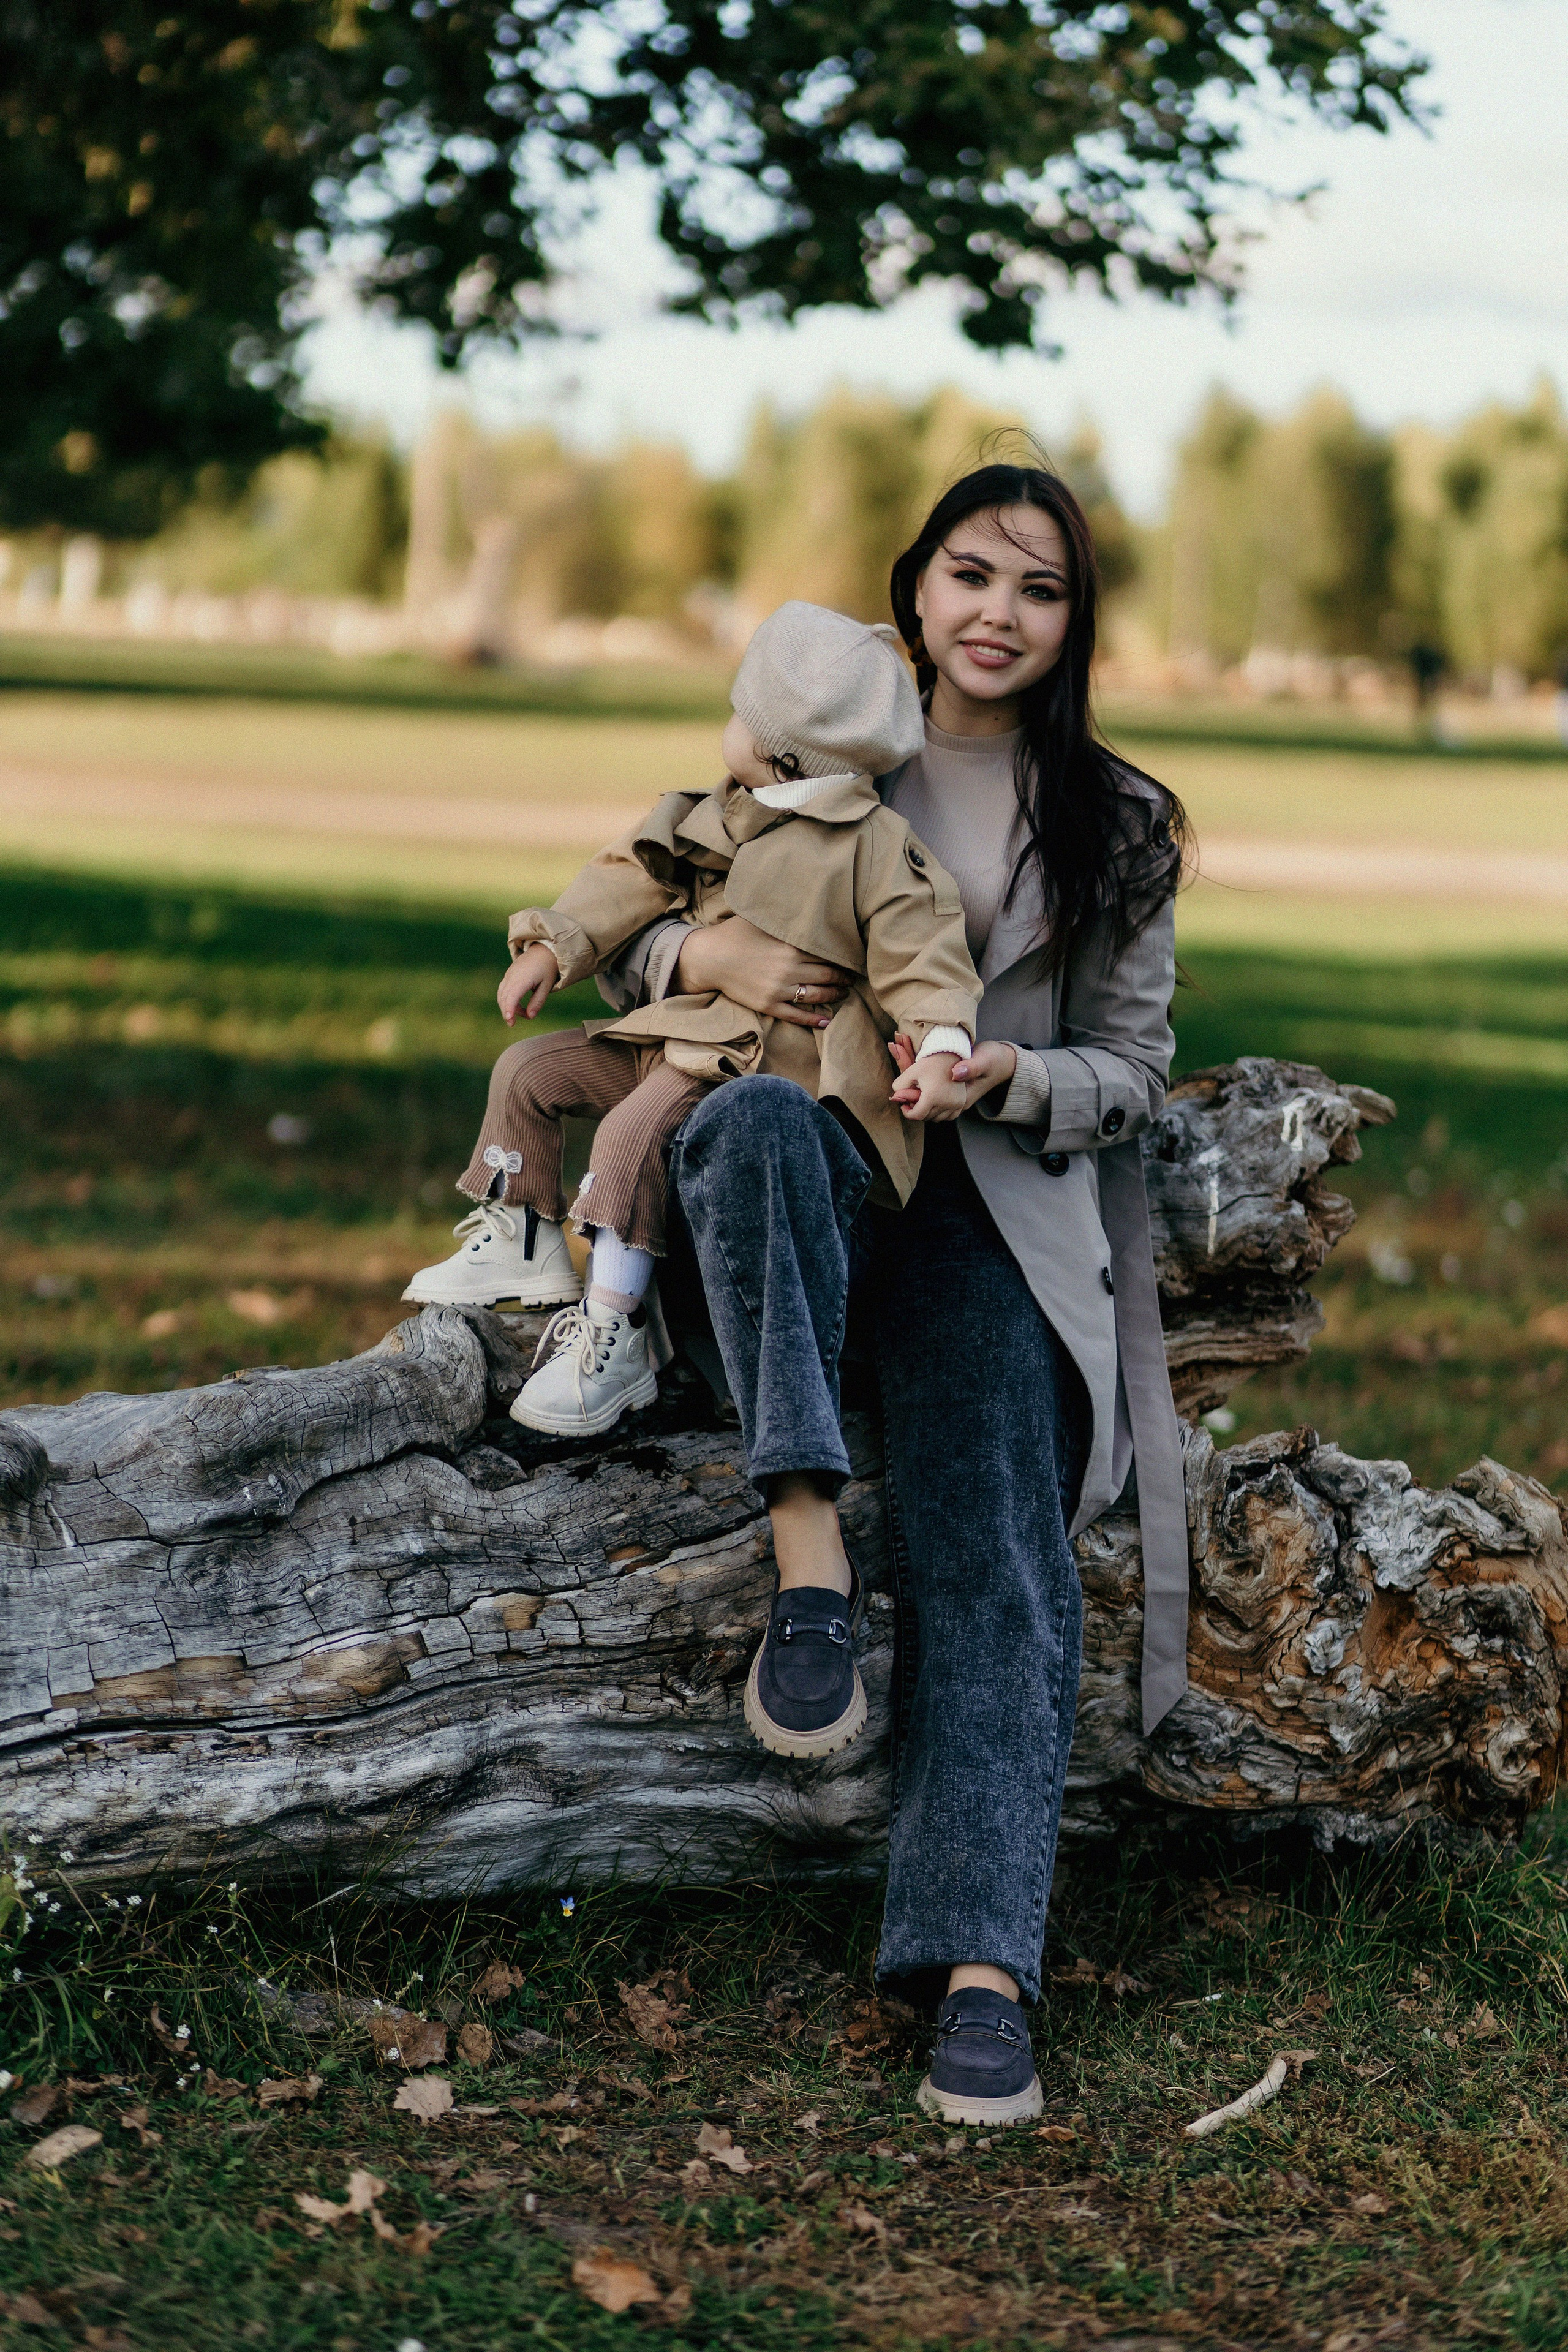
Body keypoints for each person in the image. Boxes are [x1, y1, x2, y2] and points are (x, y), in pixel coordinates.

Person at [597, 463, 1190, 2128]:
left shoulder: (1119, 821)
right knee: (767, 1117)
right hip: (788, 1195)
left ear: (1075, 624)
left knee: (998, 1532)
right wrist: (696, 968)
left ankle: (982, 1969)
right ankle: (807, 1561)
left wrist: (1008, 1073)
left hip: (985, 1217)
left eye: (1043, 589)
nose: (1001, 613)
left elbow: (1134, 1068)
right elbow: (638, 901)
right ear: (915, 586)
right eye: (972, 575)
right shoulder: (811, 727)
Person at [405, 598, 982, 1757]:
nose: (723, 726)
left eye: (738, 713)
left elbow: (929, 952)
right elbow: (626, 876)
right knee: (532, 1069)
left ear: (783, 751)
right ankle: (517, 1229)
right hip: (676, 1032)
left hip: (768, 1078)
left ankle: (613, 1325)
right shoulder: (712, 811)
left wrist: (943, 1042)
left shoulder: (873, 849)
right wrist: (557, 941)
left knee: (634, 1143)